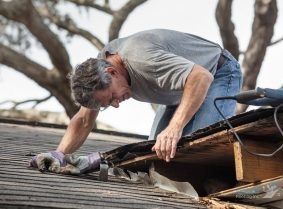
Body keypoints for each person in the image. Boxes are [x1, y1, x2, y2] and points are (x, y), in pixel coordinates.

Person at [29, 29, 242, 175]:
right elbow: (84, 119)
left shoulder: (142, 59)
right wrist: (60, 154)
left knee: (202, 150)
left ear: (112, 72)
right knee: (156, 158)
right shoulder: (97, 72)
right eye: (107, 104)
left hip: (218, 73)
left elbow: (200, 77)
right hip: (179, 91)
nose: (116, 104)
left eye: (112, 97)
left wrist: (175, 127)